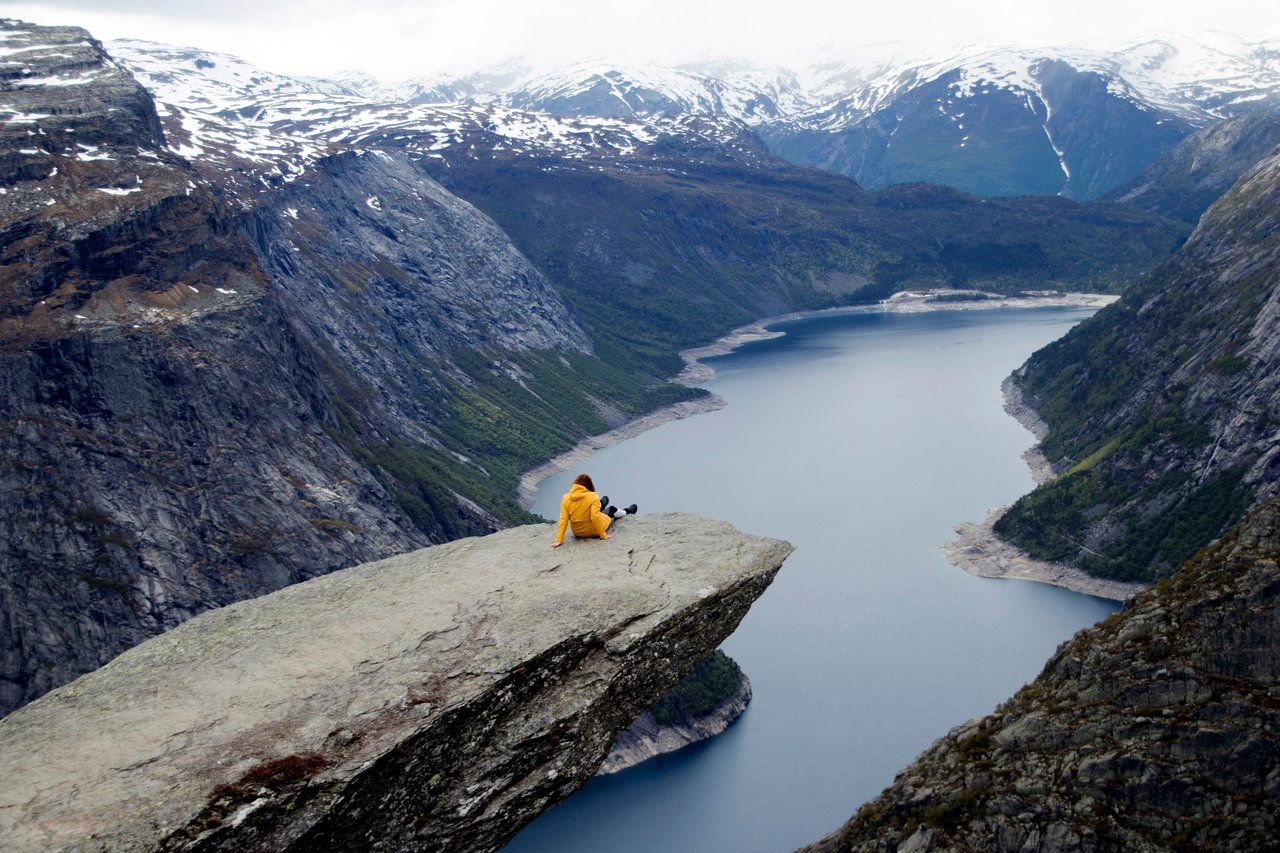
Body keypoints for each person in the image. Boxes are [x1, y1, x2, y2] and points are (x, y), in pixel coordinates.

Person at [552, 473, 637, 548]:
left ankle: (601, 504)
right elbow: (594, 516)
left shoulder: (565, 498)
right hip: (593, 530)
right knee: (612, 509)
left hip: (577, 532)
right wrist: (603, 535)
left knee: (592, 508)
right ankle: (627, 511)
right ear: (589, 485)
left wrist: (558, 540)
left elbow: (563, 519)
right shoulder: (593, 496)